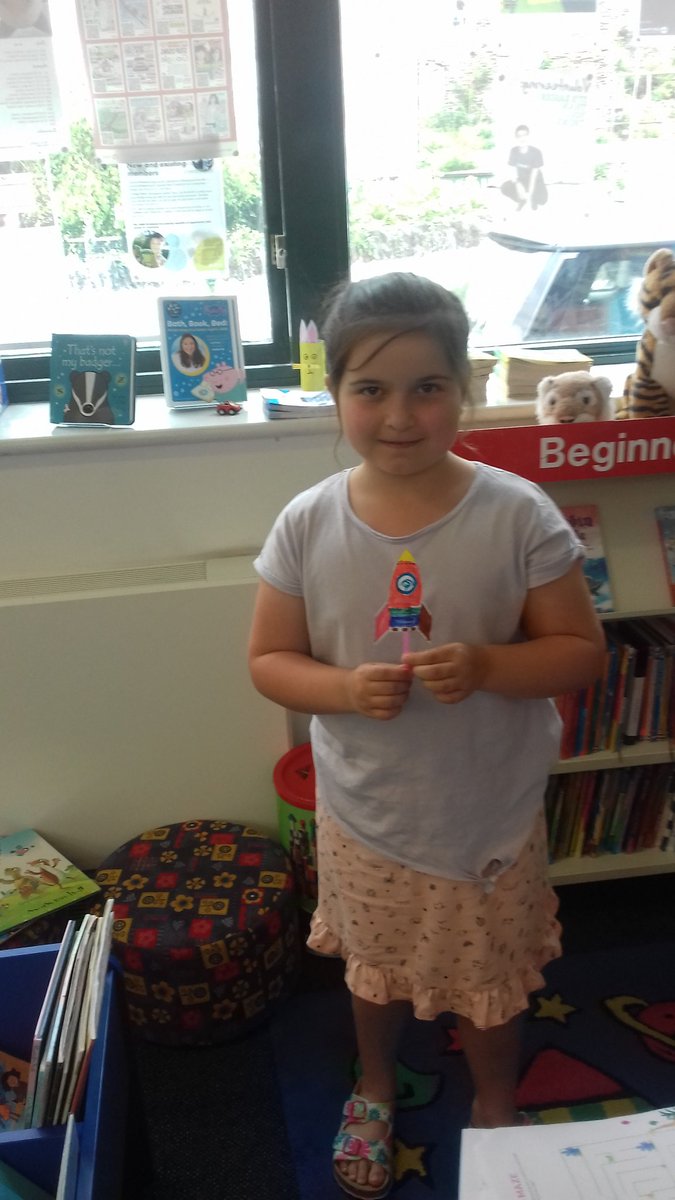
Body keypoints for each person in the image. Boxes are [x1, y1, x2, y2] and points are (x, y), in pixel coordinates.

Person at [248, 272, 605, 1199]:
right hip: (368, 816)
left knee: (489, 979)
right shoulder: (307, 522)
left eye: (427, 387)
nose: (399, 415)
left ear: (465, 389)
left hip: (487, 816)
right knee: (372, 971)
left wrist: (487, 664)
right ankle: (373, 1084)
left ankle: (495, 1102)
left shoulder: (516, 512)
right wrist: (340, 687)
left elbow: (578, 653)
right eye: (370, 389)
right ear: (335, 394)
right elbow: (269, 662)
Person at [501, 124, 548, 211]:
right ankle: (521, 200)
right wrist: (518, 185)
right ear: (516, 138)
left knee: (542, 200)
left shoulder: (536, 152)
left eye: (524, 135)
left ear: (528, 136)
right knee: (504, 188)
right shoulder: (514, 151)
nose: (522, 138)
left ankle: (532, 199)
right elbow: (512, 172)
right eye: (519, 136)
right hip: (522, 181)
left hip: (535, 181)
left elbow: (534, 176)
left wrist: (530, 193)